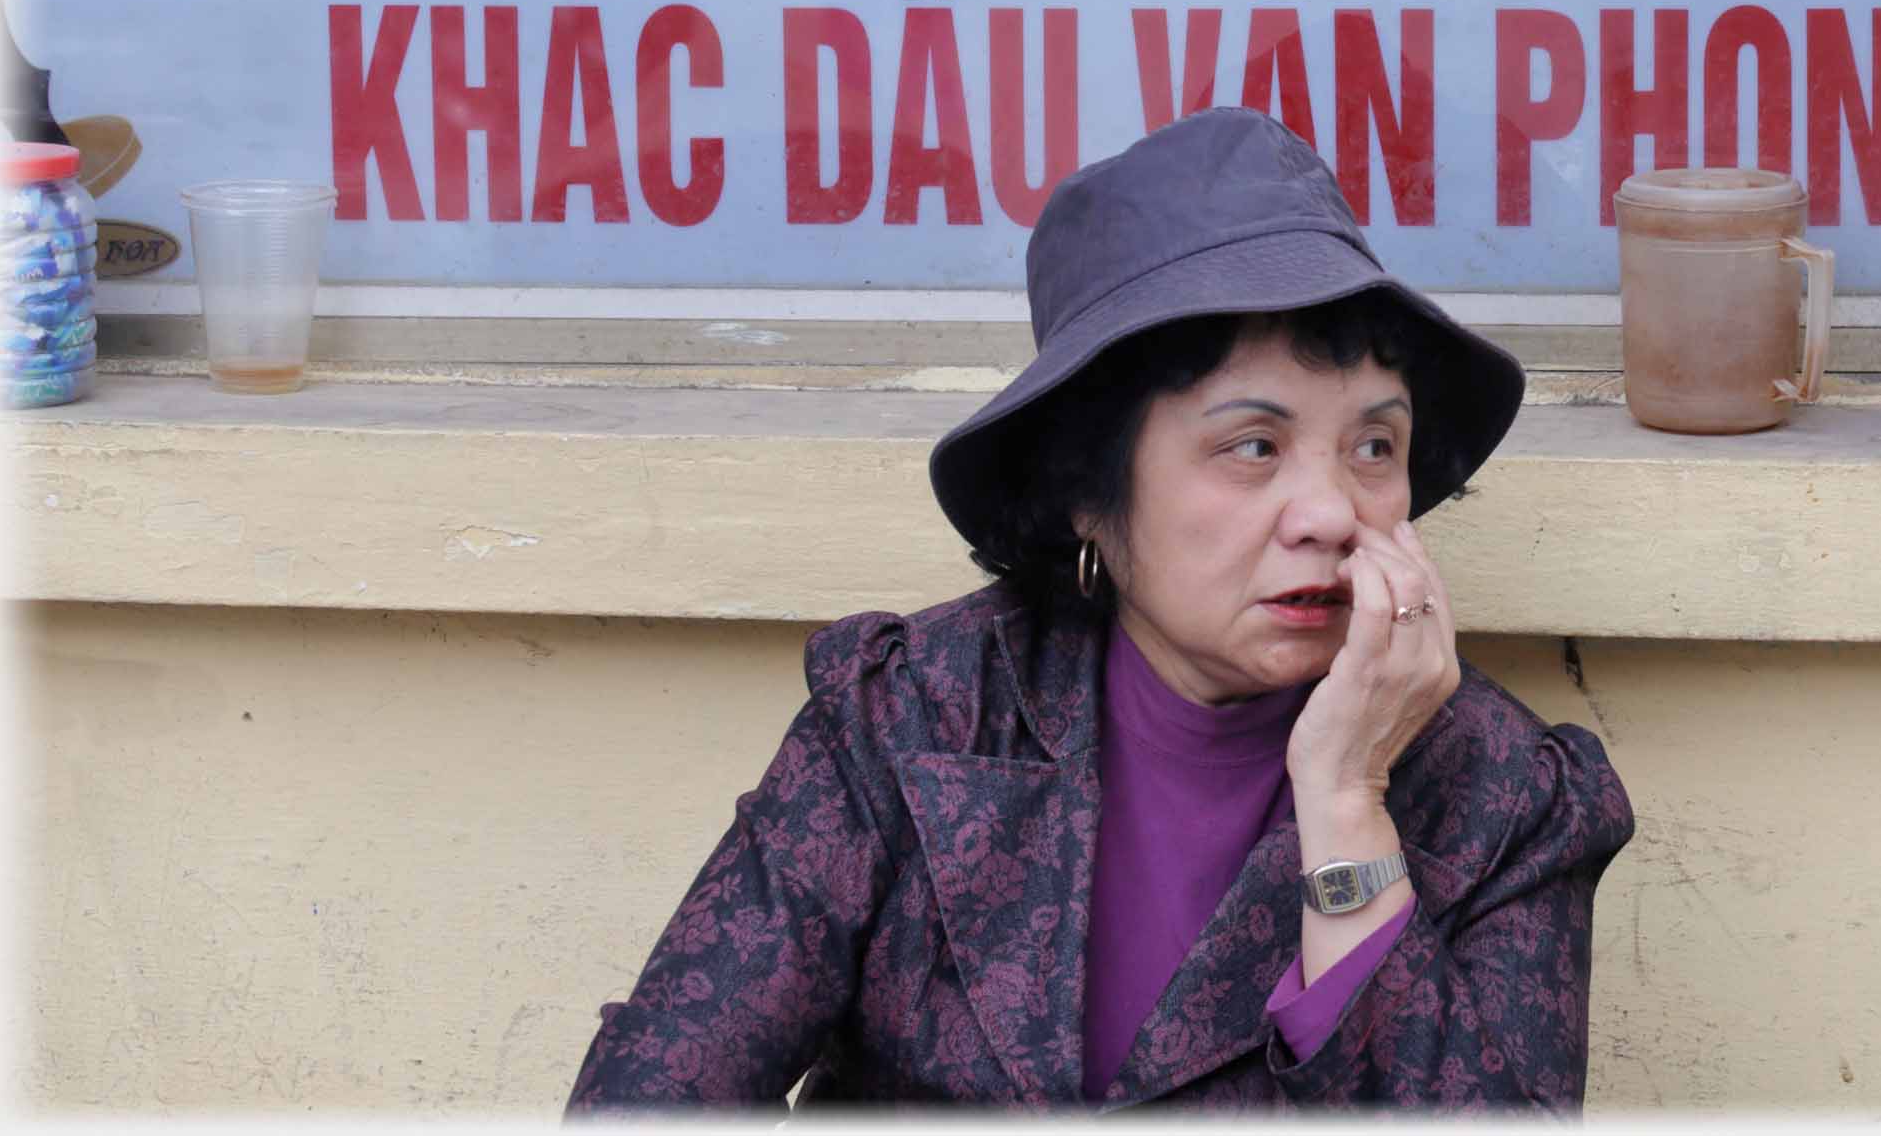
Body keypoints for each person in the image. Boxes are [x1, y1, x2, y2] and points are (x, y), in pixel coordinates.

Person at [567, 108, 1634, 1110]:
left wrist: (1349, 802)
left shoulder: (1501, 798)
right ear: (1092, 485)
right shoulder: (910, 723)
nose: (1329, 511)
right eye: (1253, 445)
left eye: (1373, 446)